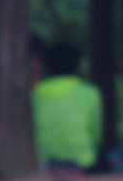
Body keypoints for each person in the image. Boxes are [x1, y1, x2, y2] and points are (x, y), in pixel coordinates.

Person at [32, 41, 102, 173]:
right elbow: (95, 135)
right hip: (82, 161)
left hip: (44, 162)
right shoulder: (90, 93)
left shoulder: (35, 94)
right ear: (77, 65)